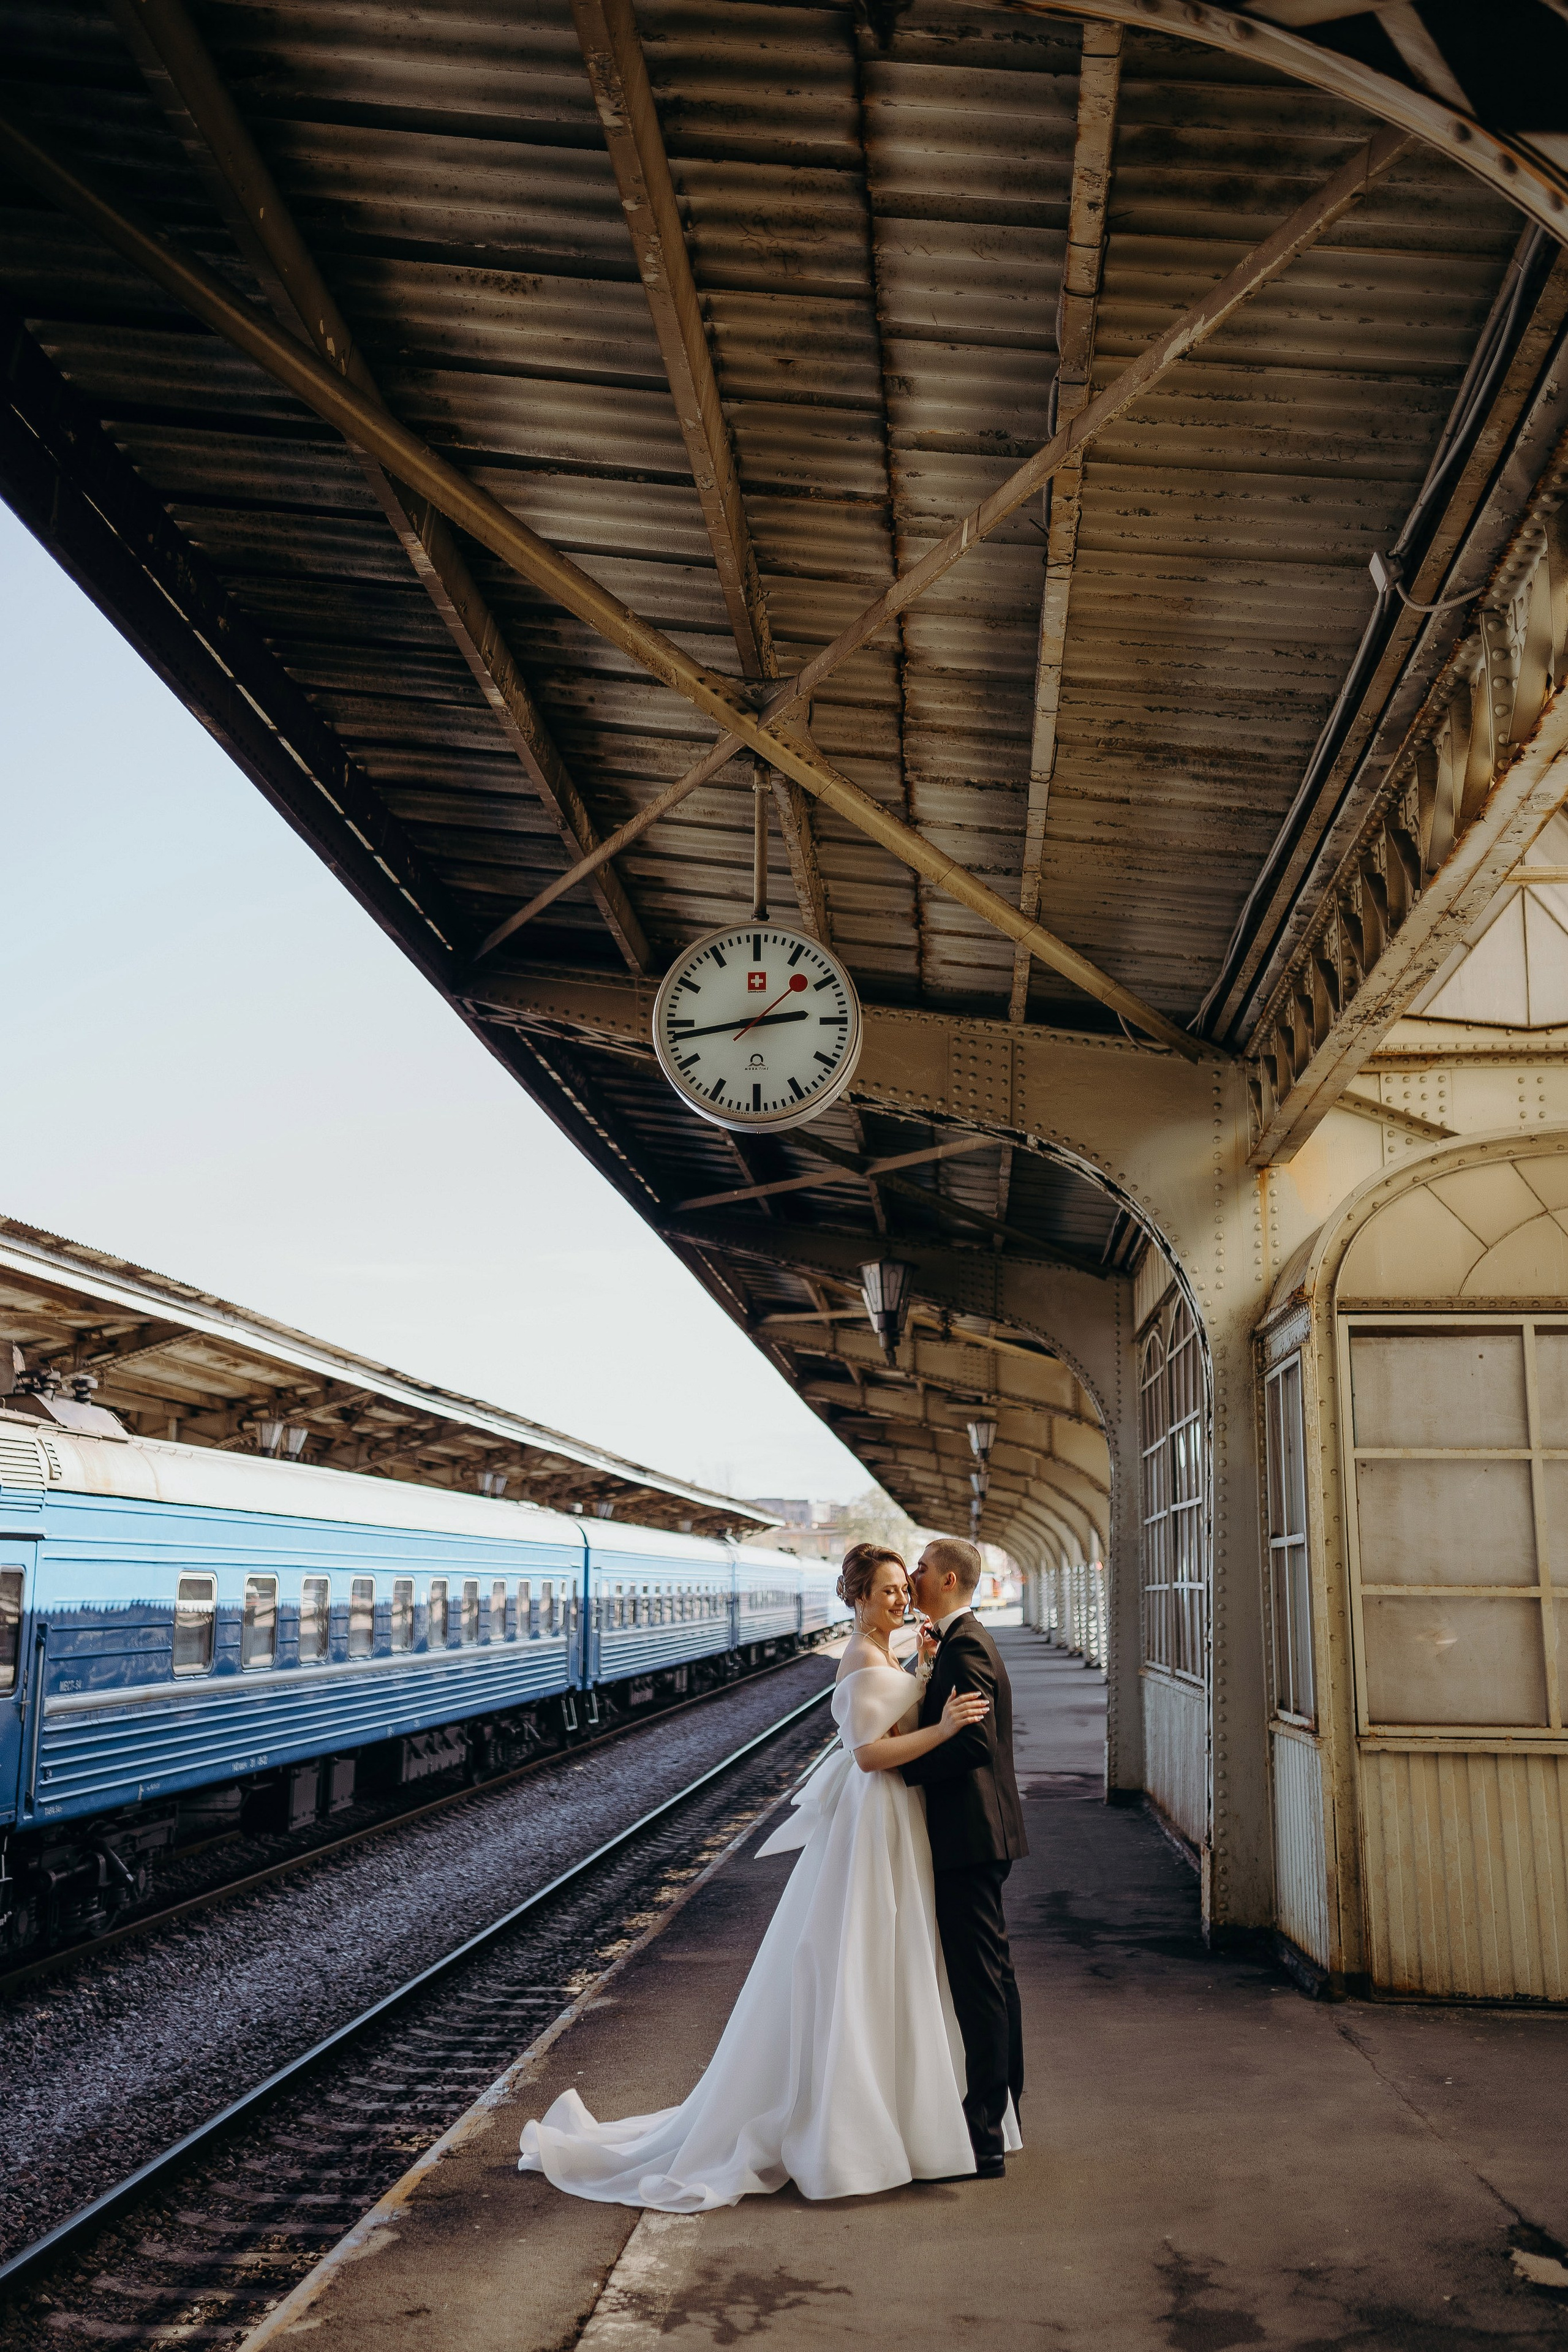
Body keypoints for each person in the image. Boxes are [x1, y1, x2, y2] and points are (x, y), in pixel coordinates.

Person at [516, 1542, 1017, 2209]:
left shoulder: (901, 1651)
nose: (902, 1597)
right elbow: (870, 1755)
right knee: (870, 1961)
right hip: (879, 1818)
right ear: (861, 1597)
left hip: (903, 1822)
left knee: (906, 1962)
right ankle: (882, 2124)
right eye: (891, 1589)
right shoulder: (861, 1656)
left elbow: (906, 1723)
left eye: (907, 1585)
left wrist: (923, 1673)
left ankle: (921, 2118)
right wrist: (941, 1723)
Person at [903, 1537, 1027, 2179]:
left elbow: (972, 1744)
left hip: (970, 1837)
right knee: (993, 1977)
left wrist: (902, 1771)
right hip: (979, 1835)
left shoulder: (968, 1644)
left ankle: (983, 2134)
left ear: (947, 1579)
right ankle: (1004, 2112)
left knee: (980, 1985)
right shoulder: (955, 1641)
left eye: (920, 1568)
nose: (913, 1575)